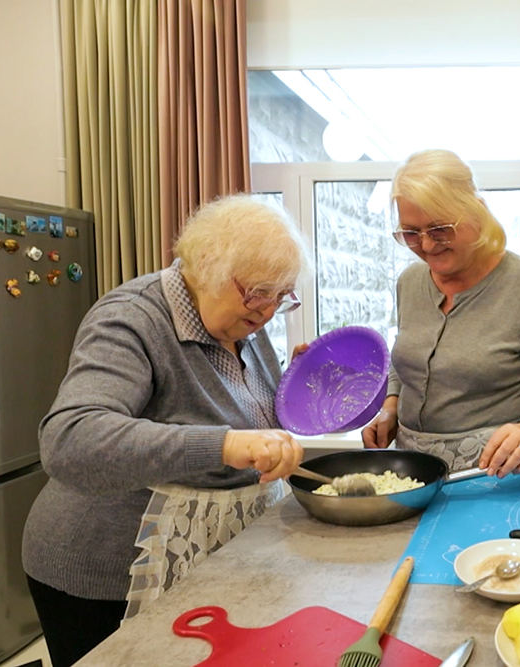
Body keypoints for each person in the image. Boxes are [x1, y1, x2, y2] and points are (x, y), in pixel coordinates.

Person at [21, 195, 310, 667]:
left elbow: (248, 416)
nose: (268, 311)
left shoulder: (243, 322)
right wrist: (223, 444)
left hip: (202, 556)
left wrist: (294, 389)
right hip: (106, 570)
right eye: (259, 292)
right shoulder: (132, 317)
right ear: (207, 264)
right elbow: (70, 439)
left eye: (282, 295)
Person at [362, 149, 520, 476]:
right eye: (411, 233)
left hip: (494, 477)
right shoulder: (410, 282)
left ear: (475, 212)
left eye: (440, 229)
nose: (425, 246)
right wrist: (390, 408)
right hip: (413, 474)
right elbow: (407, 360)